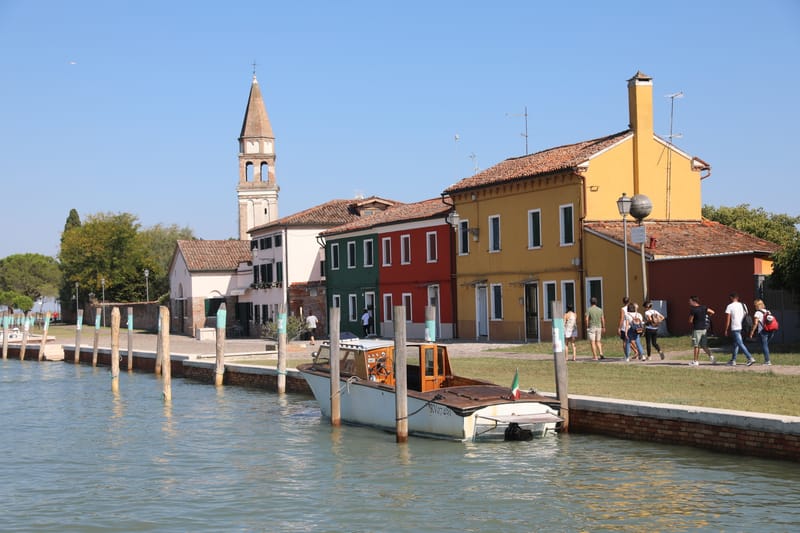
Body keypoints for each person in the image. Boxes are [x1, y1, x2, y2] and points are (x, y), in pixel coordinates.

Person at [724, 292, 755, 367]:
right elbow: (745, 314)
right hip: (741, 326)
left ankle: (750, 357)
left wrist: (726, 329)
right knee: (736, 344)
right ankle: (733, 360)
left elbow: (728, 319)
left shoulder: (730, 306)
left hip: (735, 326)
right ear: (737, 298)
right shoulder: (743, 305)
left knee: (740, 343)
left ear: (731, 298)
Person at [688, 296, 715, 365]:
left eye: (690, 301)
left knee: (696, 345)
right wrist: (708, 317)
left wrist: (692, 319)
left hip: (697, 329)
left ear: (694, 301)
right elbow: (712, 312)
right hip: (704, 329)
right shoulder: (703, 307)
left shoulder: (693, 309)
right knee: (704, 346)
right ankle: (711, 357)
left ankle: (695, 361)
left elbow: (690, 320)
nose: (689, 302)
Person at [749, 299, 773, 366]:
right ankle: (767, 360)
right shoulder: (768, 311)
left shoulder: (757, 313)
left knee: (764, 346)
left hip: (763, 331)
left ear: (756, 305)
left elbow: (755, 323)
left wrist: (752, 332)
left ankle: (767, 361)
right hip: (770, 331)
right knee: (765, 345)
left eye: (755, 305)